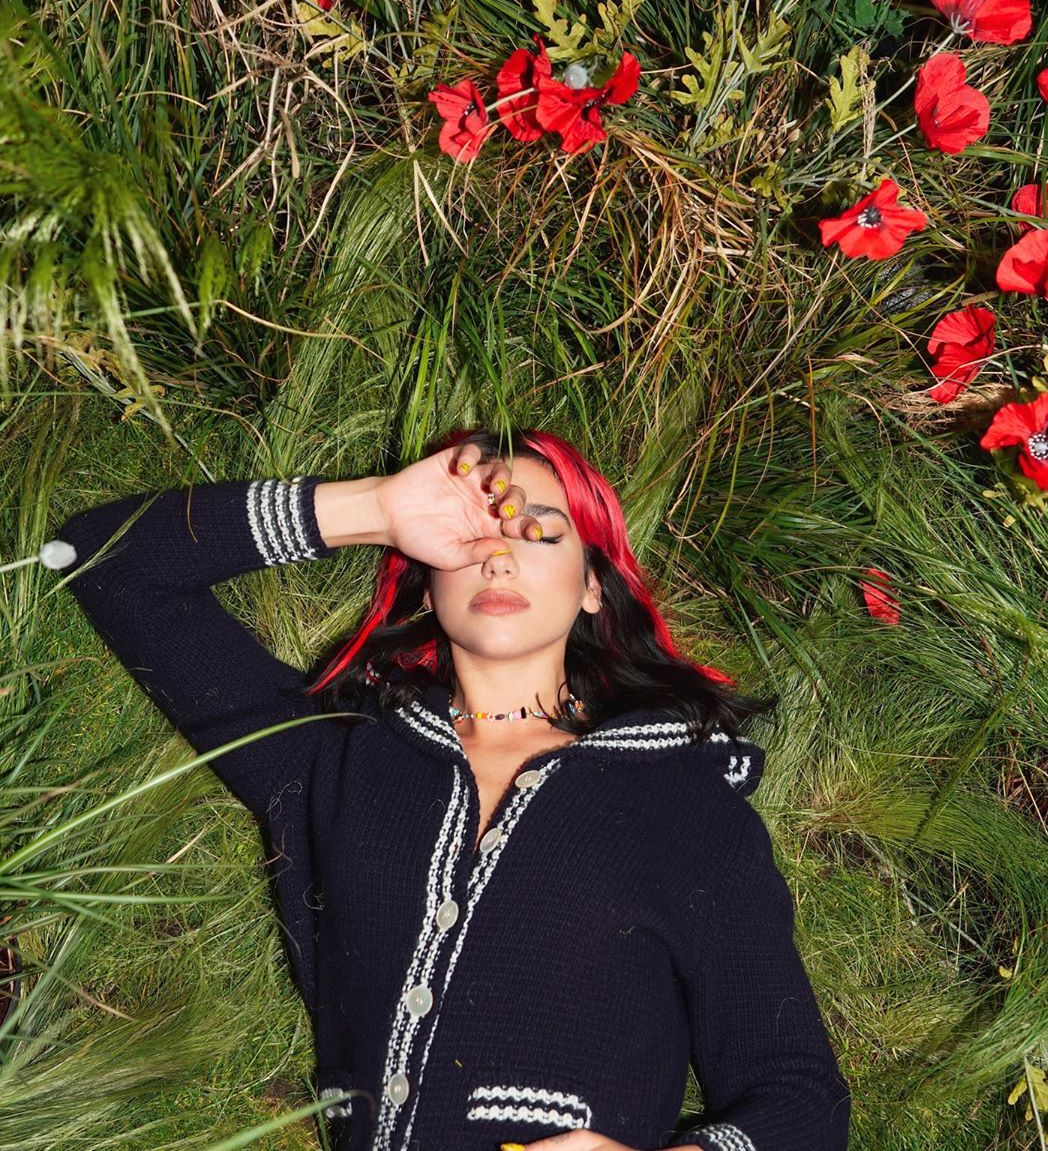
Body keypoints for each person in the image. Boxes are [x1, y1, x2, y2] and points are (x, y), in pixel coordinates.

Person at [53, 425, 851, 1151]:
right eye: (469, 533)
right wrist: (375, 509)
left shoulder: (685, 803)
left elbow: (800, 1101)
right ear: (424, 580)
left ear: (592, 584)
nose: (498, 555)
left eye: (539, 529)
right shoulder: (334, 759)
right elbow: (96, 557)